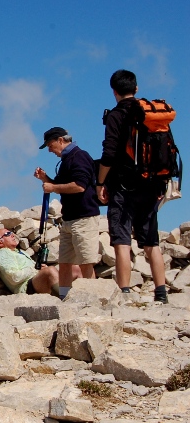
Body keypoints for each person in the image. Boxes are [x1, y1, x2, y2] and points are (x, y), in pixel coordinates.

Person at [96, 69, 168, 303]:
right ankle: (161, 292)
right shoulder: (152, 114)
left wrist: (100, 182)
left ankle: (125, 293)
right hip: (152, 184)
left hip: (123, 187)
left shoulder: (117, 116)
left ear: (114, 91)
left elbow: (109, 154)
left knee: (121, 240)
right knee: (151, 242)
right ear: (136, 89)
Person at [34, 127, 99, 299]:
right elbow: (61, 186)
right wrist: (46, 179)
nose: (49, 149)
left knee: (86, 262)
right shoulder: (67, 160)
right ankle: (65, 298)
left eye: (50, 145)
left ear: (60, 140)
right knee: (64, 262)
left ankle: (93, 298)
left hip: (84, 218)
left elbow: (79, 186)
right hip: (69, 219)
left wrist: (52, 187)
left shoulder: (79, 157)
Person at [0, 228, 59, 295]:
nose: (12, 235)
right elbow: (14, 277)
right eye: (7, 234)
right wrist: (36, 269)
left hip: (35, 281)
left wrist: (42, 269)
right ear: (0, 242)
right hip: (26, 287)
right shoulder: (3, 253)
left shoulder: (18, 252)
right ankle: (65, 299)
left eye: (11, 232)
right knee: (50, 270)